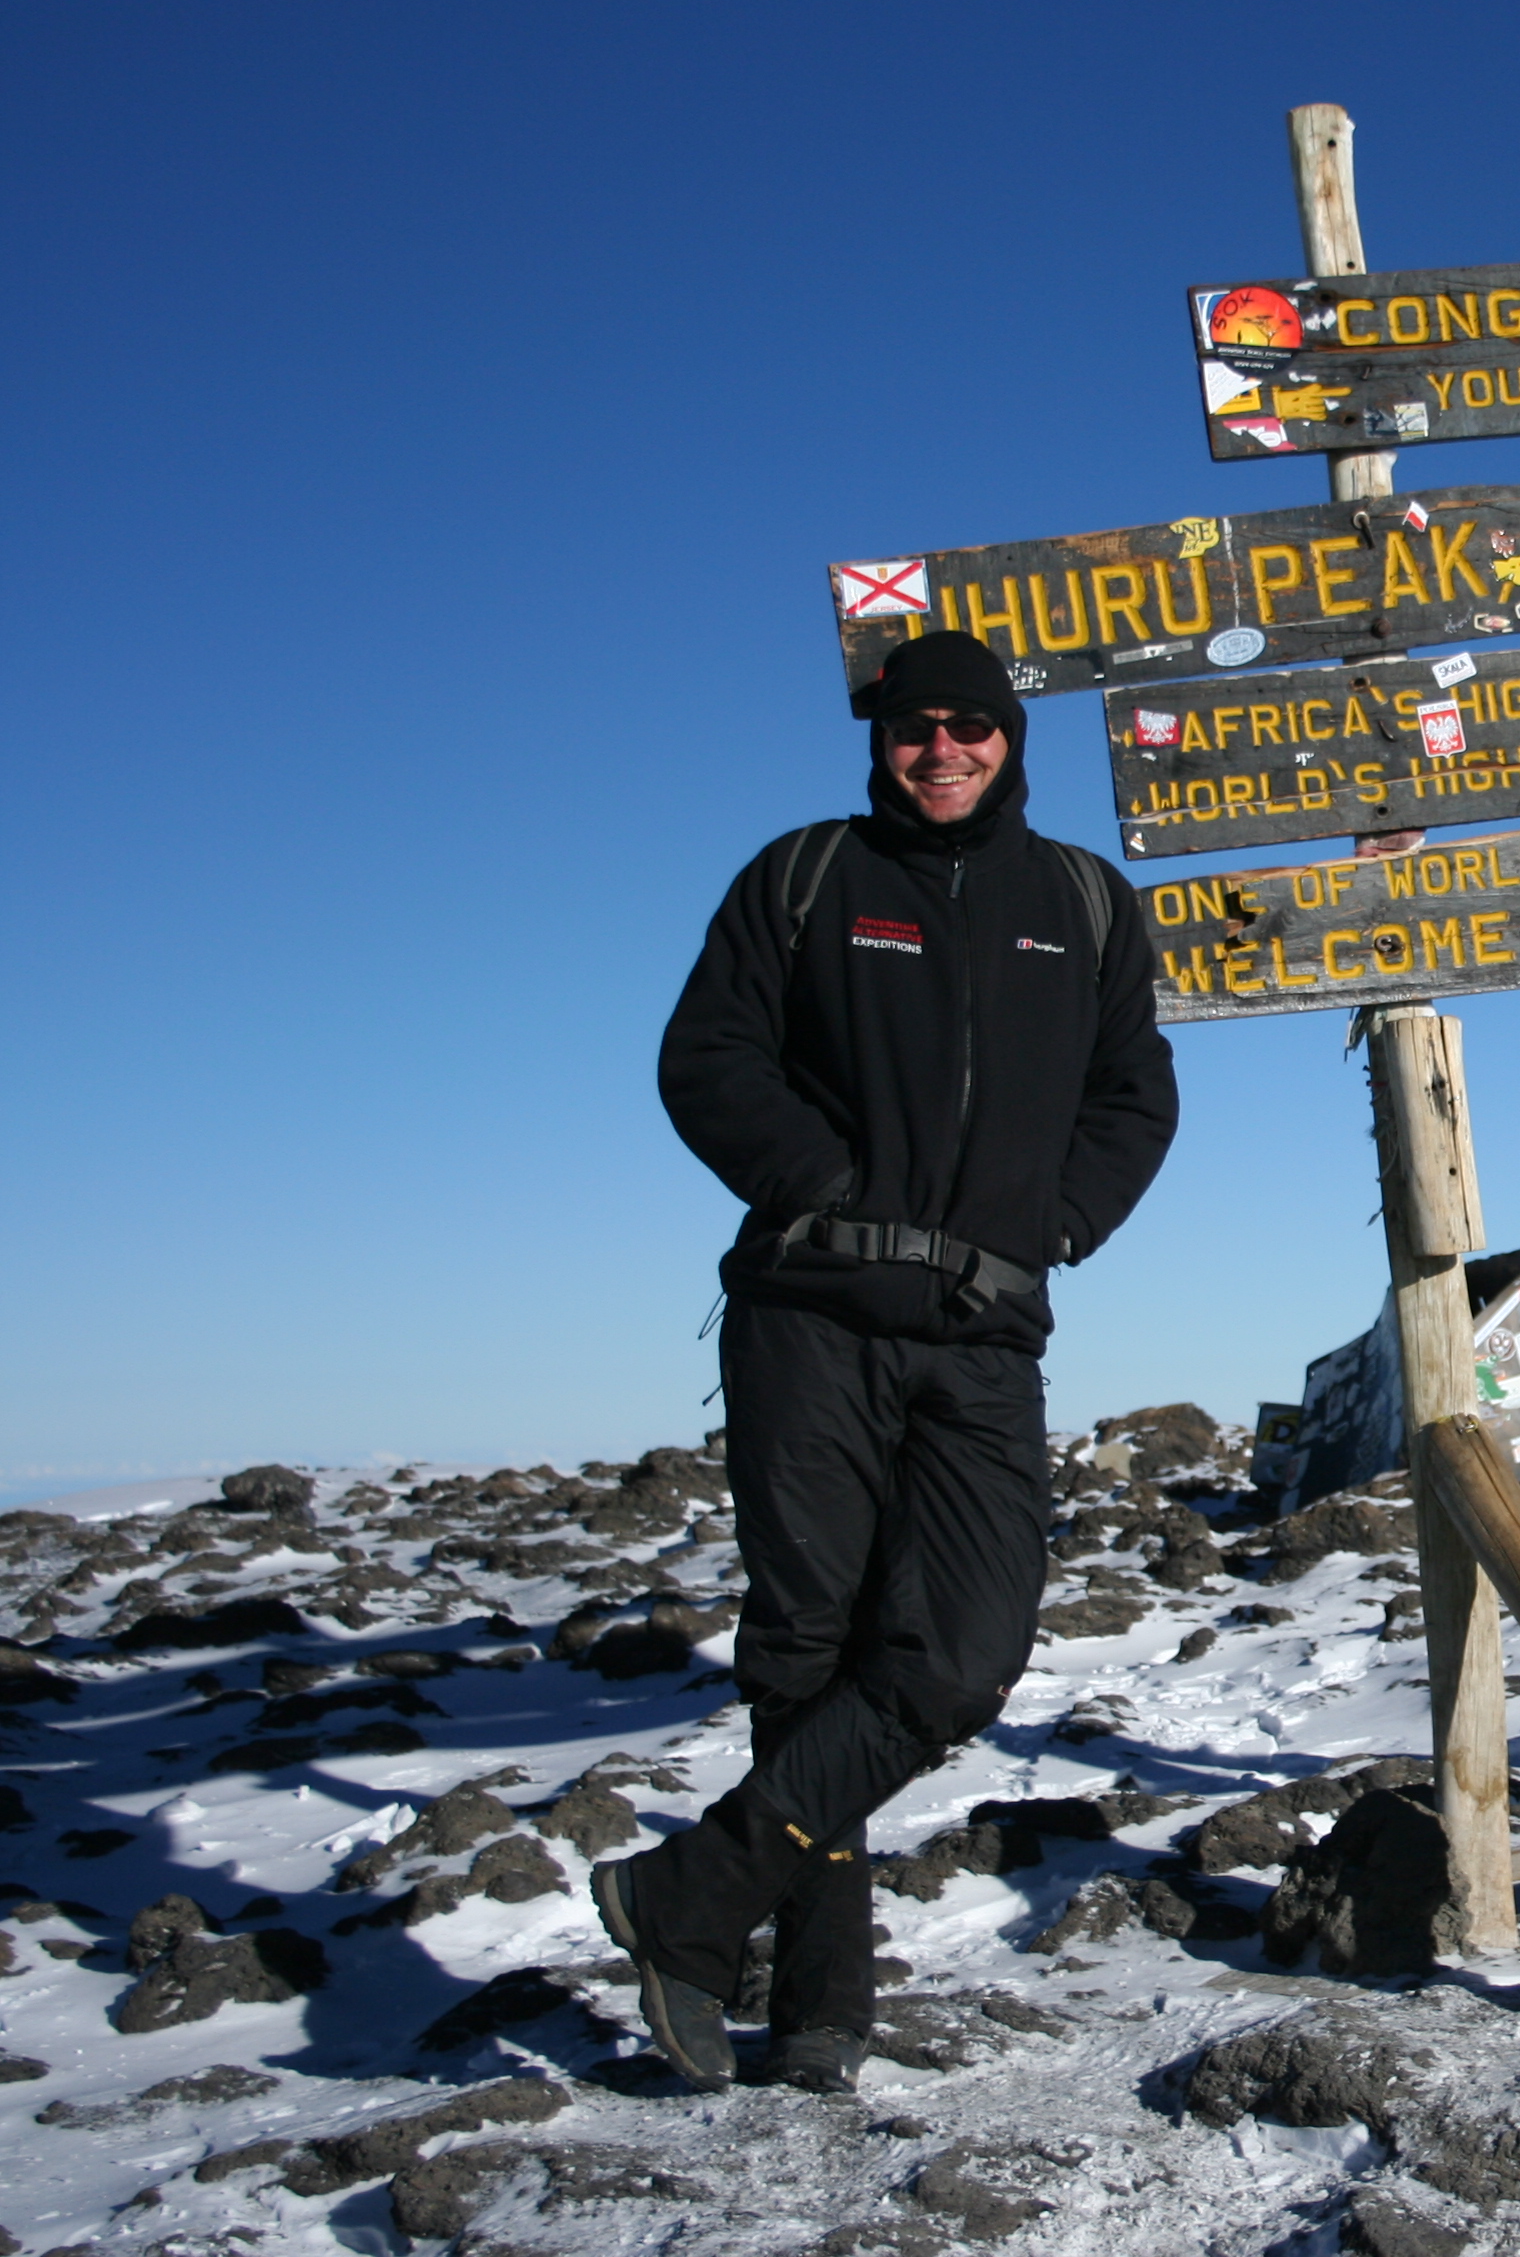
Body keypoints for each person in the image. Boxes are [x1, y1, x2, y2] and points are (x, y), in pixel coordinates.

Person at [609, 630, 1177, 2093]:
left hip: (987, 1333)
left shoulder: (1086, 905)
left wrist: (1053, 1223)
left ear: (1009, 741)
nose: (944, 751)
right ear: (882, 738)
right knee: (809, 1654)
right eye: (917, 728)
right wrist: (827, 1186)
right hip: (813, 1317)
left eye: (971, 729)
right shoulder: (804, 878)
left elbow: (1136, 1099)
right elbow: (707, 1059)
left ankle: (687, 1901)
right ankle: (819, 2015)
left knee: (965, 1653)